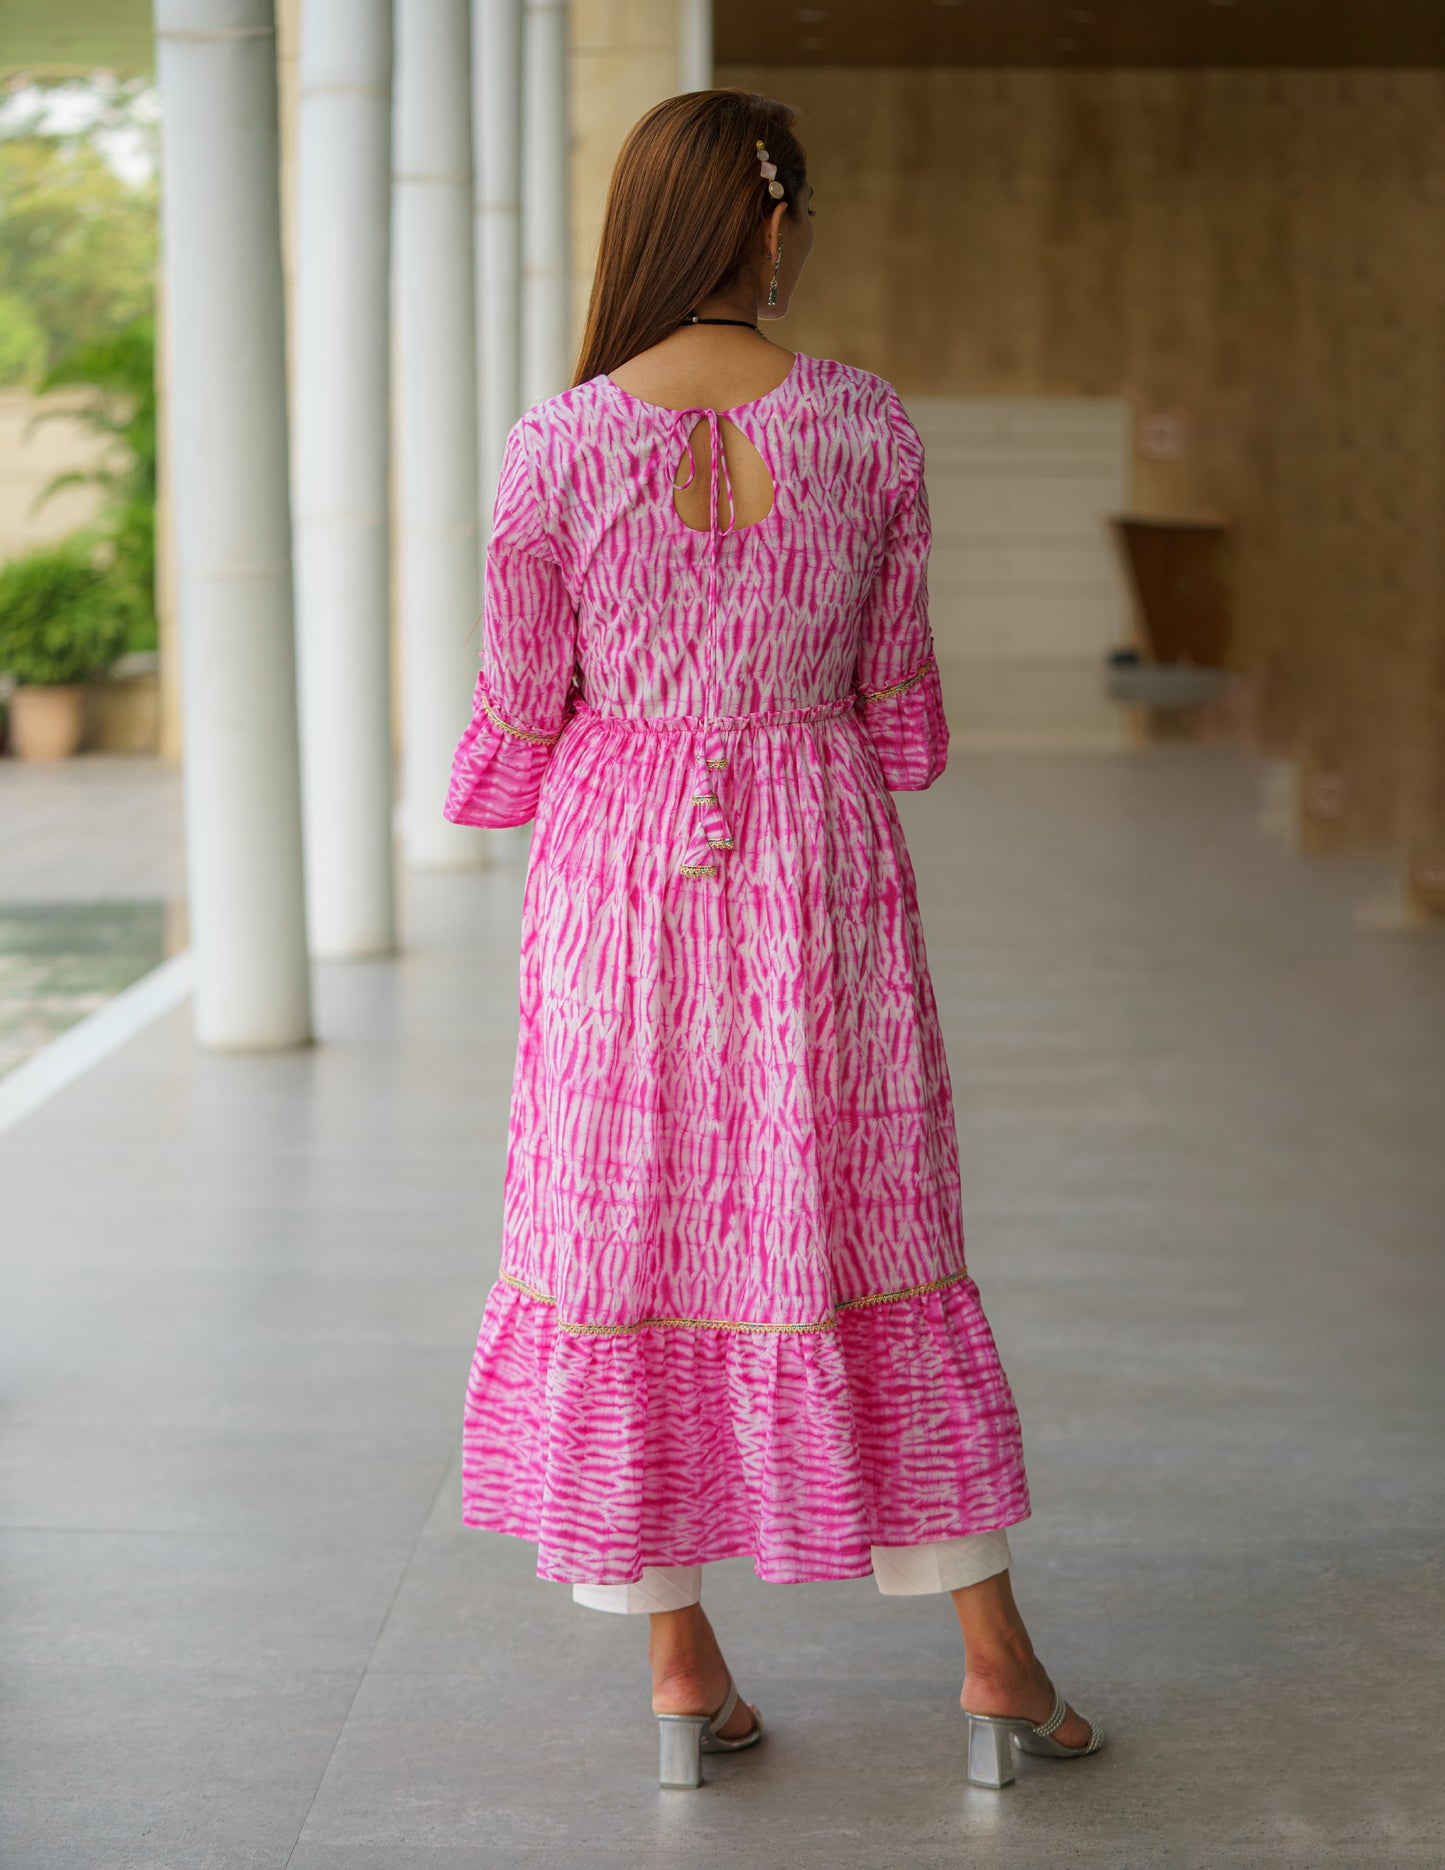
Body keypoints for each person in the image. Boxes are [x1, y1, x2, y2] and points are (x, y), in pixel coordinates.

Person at [444, 88, 1103, 1792]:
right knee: (865, 1220)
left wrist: (619, 739)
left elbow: (513, 722)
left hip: (616, 866)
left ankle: (679, 1670)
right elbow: (906, 718)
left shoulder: (556, 443)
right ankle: (993, 1661)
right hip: (819, 854)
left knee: (626, 1228)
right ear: (774, 222)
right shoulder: (867, 425)